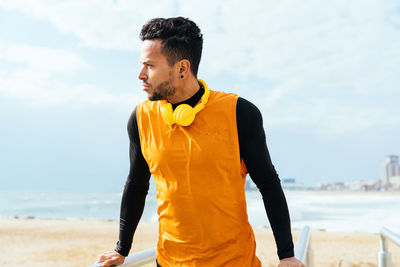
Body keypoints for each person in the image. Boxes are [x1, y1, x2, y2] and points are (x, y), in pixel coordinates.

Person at [95, 17, 305, 267]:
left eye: (150, 66)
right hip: (169, 261)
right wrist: (122, 248)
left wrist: (287, 255)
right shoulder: (141, 118)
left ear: (182, 68)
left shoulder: (238, 113)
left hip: (234, 262)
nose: (140, 75)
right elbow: (137, 184)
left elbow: (268, 184)